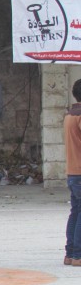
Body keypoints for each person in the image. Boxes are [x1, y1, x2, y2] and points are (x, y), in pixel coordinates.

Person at [64, 78, 81, 266]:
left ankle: (70, 254)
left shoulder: (69, 115)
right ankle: (78, 255)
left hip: (72, 171)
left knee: (75, 212)